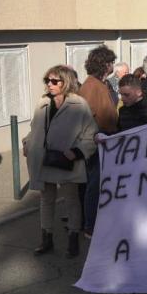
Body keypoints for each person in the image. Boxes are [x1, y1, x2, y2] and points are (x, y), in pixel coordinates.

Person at [23, 65, 97, 258]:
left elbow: (91, 134)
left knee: (71, 201)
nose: (50, 84)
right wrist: (27, 143)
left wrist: (77, 151)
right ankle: (46, 238)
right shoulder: (42, 102)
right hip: (43, 158)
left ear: (66, 82)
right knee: (46, 200)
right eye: (47, 80)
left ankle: (73, 239)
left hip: (66, 160)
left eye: (54, 81)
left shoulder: (79, 104)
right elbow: (34, 128)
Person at [77, 45, 118, 239]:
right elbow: (84, 117)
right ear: (104, 64)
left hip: (107, 139)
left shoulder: (103, 84)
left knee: (101, 183)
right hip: (97, 140)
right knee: (94, 184)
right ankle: (89, 226)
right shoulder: (91, 85)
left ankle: (98, 222)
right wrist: (95, 136)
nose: (113, 66)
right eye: (111, 62)